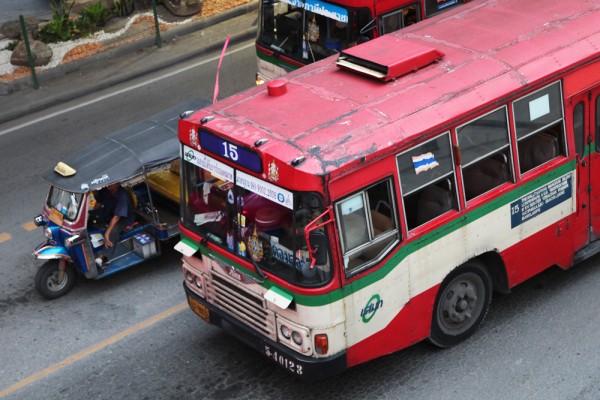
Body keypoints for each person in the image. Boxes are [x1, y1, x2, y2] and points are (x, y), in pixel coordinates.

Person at [94, 182, 135, 267]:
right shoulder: (105, 191)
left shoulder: (122, 195)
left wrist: (107, 233)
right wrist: (93, 215)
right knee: (93, 219)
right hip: (109, 214)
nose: (109, 184)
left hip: (123, 219)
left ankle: (103, 257)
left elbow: (117, 217)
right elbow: (98, 202)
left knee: (113, 232)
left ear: (118, 183)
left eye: (112, 183)